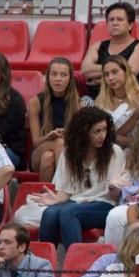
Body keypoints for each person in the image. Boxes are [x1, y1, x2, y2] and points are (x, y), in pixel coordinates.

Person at [33, 107, 124, 250]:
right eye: (96, 131)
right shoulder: (69, 153)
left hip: (104, 204)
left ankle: (74, 266)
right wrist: (56, 200)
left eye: (104, 130)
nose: (102, 136)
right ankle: (44, 266)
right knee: (49, 213)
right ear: (83, 132)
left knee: (69, 212)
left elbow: (114, 196)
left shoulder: (114, 152)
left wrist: (114, 186)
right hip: (75, 201)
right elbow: (66, 192)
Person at [28, 58, 91, 183]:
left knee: (48, 158)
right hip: (38, 152)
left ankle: (44, 195)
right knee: (58, 142)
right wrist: (48, 137)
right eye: (54, 74)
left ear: (70, 79)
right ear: (48, 77)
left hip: (71, 152)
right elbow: (35, 142)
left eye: (63, 75)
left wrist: (69, 135)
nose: (58, 79)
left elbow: (85, 140)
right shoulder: (35, 101)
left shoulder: (80, 104)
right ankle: (67, 187)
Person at [81, 2, 139, 93]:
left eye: (120, 19)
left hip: (128, 98)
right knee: (82, 104)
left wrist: (97, 80)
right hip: (95, 97)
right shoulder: (97, 46)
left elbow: (128, 74)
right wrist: (117, 70)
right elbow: (85, 71)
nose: (115, 23)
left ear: (130, 25)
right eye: (111, 20)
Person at [95, 56, 139, 148]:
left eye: (115, 72)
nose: (110, 78)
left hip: (134, 150)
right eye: (106, 74)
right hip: (105, 150)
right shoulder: (100, 101)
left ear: (126, 72)